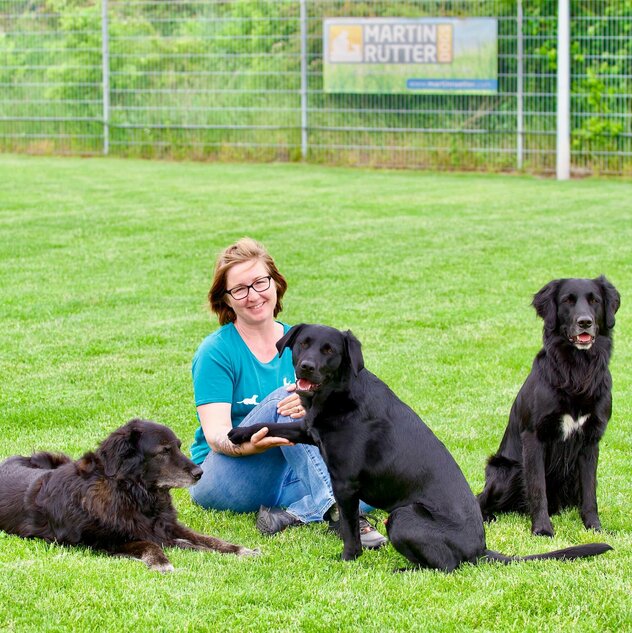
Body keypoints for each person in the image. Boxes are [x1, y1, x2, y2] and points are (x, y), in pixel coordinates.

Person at [189, 237, 386, 549]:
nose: (253, 295)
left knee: (369, 488)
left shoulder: (306, 342)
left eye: (260, 282)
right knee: (289, 400)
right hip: (224, 475)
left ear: (275, 284)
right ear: (226, 299)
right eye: (240, 289)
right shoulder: (216, 351)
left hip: (282, 474)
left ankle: (293, 513)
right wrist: (249, 447)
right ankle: (338, 514)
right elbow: (216, 435)